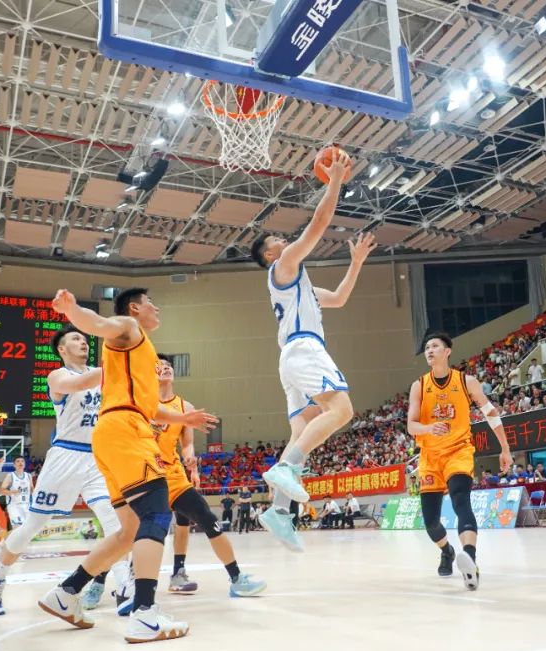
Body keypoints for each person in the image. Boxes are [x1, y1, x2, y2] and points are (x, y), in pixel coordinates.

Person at [37, 288, 217, 643]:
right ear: (135, 308)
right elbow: (98, 323)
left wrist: (183, 418)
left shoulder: (138, 355)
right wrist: (73, 310)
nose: (157, 307)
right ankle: (145, 614)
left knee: (130, 530)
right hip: (126, 432)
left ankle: (65, 593)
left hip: (112, 433)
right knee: (156, 515)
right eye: (151, 302)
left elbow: (149, 407)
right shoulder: (128, 328)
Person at [250, 150, 375, 551]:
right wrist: (335, 180)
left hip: (291, 357)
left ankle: (278, 511)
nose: (284, 241)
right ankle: (286, 469)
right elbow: (318, 225)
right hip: (304, 349)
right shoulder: (283, 266)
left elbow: (337, 298)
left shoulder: (298, 286)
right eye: (277, 240)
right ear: (270, 255)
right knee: (342, 410)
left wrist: (356, 262)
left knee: (301, 431)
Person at [0, 326, 128, 616]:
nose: (83, 342)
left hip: (97, 457)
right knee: (33, 527)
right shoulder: (58, 376)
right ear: (62, 349)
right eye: (75, 338)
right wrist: (119, 363)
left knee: (115, 524)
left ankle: (125, 588)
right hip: (66, 455)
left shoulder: (101, 377)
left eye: (85, 339)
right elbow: (80, 383)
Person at [117, 354, 264, 605]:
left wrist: (190, 459)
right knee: (139, 531)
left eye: (169, 366)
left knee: (207, 518)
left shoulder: (185, 407)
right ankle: (121, 582)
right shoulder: (139, 401)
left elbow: (186, 444)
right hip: (145, 473)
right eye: (160, 366)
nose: (166, 369)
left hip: (173, 476)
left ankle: (236, 579)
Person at [407, 332, 512, 589]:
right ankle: (447, 551)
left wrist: (505, 448)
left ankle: (470, 559)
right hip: (430, 457)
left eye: (435, 346)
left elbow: (491, 413)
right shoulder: (419, 385)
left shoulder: (467, 382)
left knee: (460, 499)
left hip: (458, 451)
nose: (429, 350)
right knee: (431, 522)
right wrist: (429, 428)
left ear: (447, 351)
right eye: (427, 347)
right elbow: (411, 425)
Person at [0, 456, 32, 530]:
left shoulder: (29, 476)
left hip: (27, 505)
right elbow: (2, 491)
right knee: (17, 529)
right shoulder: (10, 476)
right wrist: (13, 492)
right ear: (14, 465)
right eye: (18, 461)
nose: (20, 463)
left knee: (28, 530)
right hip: (14, 506)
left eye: (22, 461)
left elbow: (32, 491)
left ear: (25, 464)